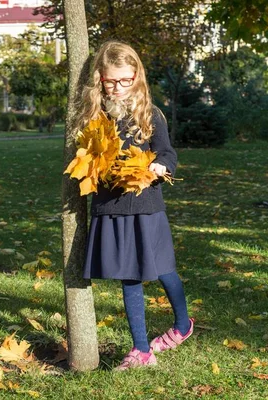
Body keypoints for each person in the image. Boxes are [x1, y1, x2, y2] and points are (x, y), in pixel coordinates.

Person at [75, 41, 194, 370]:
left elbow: (168, 153)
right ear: (100, 78)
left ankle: (183, 325)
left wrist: (160, 167)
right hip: (111, 207)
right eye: (111, 81)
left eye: (126, 81)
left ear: (137, 77)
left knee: (164, 270)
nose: (119, 88)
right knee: (129, 277)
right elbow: (85, 158)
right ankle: (142, 350)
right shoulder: (94, 115)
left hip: (146, 207)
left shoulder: (149, 113)